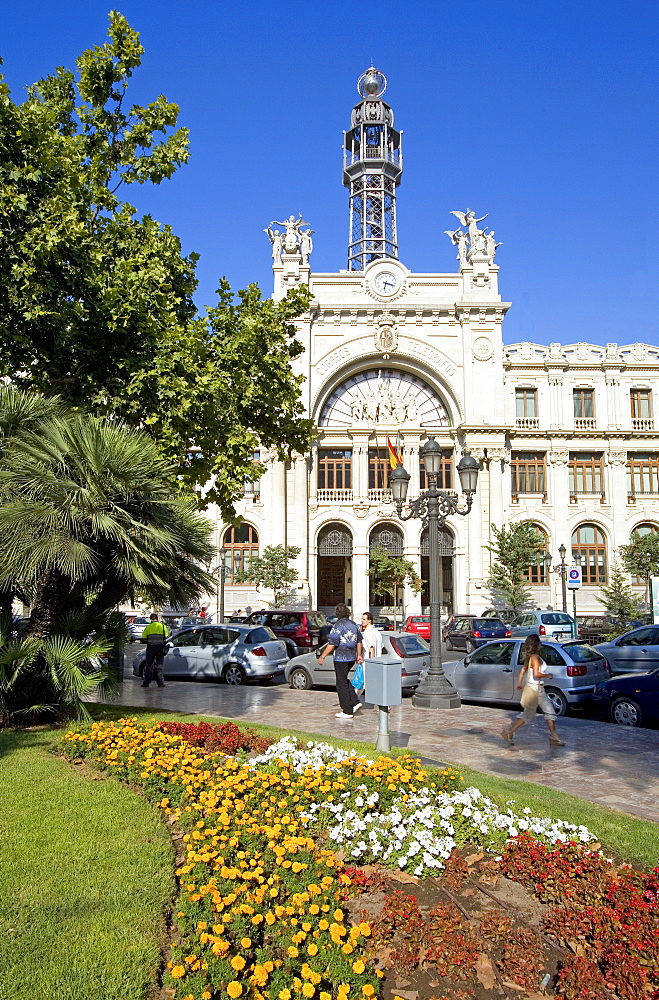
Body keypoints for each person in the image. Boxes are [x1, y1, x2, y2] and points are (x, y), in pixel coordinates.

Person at [500, 634, 565, 747]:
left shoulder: (532, 657)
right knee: (529, 714)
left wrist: (520, 683)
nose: (541, 644)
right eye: (539, 642)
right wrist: (548, 675)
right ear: (536, 644)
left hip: (538, 689)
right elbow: (536, 674)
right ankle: (509, 732)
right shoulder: (534, 657)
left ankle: (554, 737)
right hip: (534, 689)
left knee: (549, 712)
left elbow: (522, 671)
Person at [317, 602, 363, 719]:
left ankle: (347, 710)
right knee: (344, 680)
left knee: (340, 683)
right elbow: (359, 641)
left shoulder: (337, 626)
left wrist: (322, 656)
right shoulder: (354, 625)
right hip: (352, 657)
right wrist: (359, 655)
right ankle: (355, 701)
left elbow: (332, 644)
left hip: (341, 657)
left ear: (337, 613)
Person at [141, 613, 170, 689]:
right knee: (159, 665)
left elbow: (143, 638)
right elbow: (167, 636)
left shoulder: (148, 627)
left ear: (151, 619)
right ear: (157, 618)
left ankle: (146, 682)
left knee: (149, 665)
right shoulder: (163, 626)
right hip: (160, 648)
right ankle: (160, 683)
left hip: (150, 648)